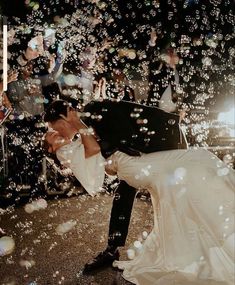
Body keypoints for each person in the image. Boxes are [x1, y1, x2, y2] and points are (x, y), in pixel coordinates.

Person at [45, 109, 234, 285]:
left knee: (182, 179)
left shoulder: (71, 145)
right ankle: (208, 235)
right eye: (50, 136)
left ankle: (185, 249)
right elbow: (94, 149)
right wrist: (77, 122)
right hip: (133, 167)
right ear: (51, 150)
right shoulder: (64, 153)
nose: (54, 133)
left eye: (53, 130)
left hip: (131, 164)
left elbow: (99, 153)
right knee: (195, 161)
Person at [44, 99, 188, 273]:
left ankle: (181, 244)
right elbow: (116, 145)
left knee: (167, 195)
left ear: (63, 119)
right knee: (124, 193)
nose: (58, 132)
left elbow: (113, 142)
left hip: (166, 140)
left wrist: (114, 159)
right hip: (160, 141)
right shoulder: (89, 120)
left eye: (56, 128)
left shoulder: (93, 113)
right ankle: (113, 248)